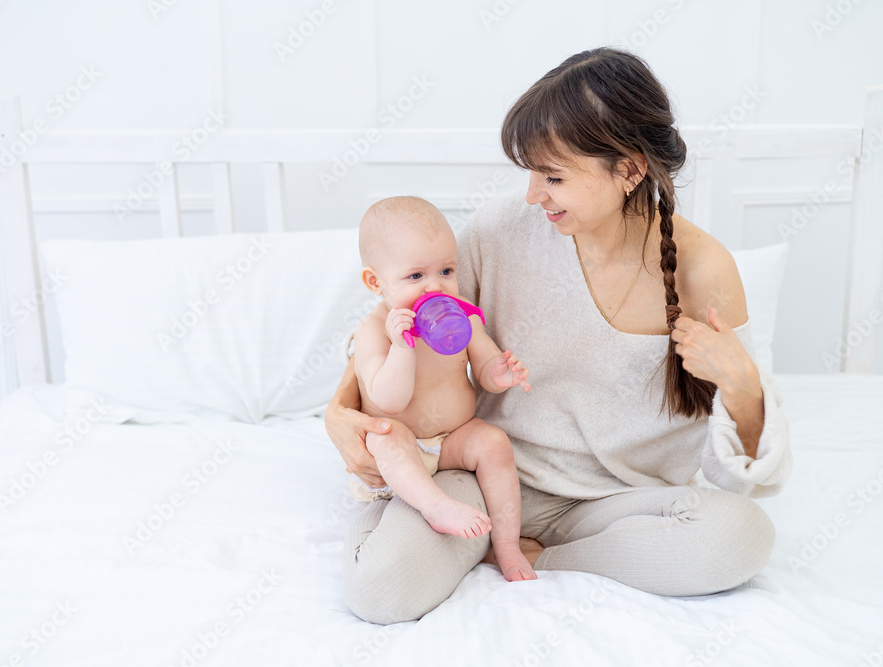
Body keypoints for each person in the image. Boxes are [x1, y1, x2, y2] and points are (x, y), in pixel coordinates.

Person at [326, 47, 794, 625]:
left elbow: (733, 475)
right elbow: (406, 318)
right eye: (530, 172)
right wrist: (338, 411)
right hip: (485, 475)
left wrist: (744, 388)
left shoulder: (704, 271)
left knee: (739, 537)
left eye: (553, 176)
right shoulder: (499, 232)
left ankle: (538, 556)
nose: (532, 194)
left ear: (629, 170)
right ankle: (482, 535)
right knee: (380, 590)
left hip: (620, 502)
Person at [349, 196, 536, 582]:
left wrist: (498, 372)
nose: (435, 286)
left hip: (451, 440)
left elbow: (483, 364)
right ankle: (436, 507)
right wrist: (402, 348)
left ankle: (507, 544)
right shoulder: (373, 331)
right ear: (375, 282)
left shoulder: (461, 314)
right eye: (416, 276)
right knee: (385, 438)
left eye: (446, 271)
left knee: (494, 442)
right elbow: (388, 401)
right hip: (402, 448)